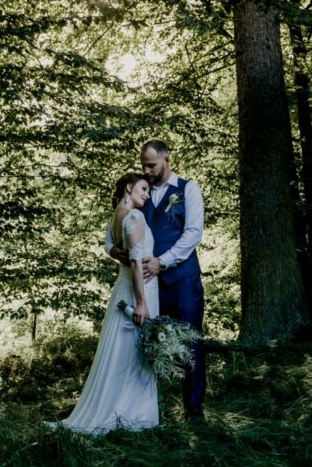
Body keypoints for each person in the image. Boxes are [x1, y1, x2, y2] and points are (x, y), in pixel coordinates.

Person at [47, 172, 159, 434]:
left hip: (122, 290)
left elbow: (110, 246)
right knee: (135, 353)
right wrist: (141, 302)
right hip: (138, 291)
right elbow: (134, 262)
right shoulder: (134, 216)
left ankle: (120, 408)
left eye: (148, 191)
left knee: (123, 351)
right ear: (129, 187)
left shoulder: (116, 217)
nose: (146, 195)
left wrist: (111, 251)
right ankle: (134, 416)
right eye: (143, 189)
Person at [111, 138, 206, 421]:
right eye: (144, 166)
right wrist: (115, 251)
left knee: (190, 343)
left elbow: (193, 233)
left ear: (168, 160)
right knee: (146, 343)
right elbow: (117, 229)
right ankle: (145, 409)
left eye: (151, 165)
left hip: (182, 281)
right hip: (148, 287)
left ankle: (194, 409)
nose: (147, 170)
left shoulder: (188, 189)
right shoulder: (140, 192)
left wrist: (162, 261)